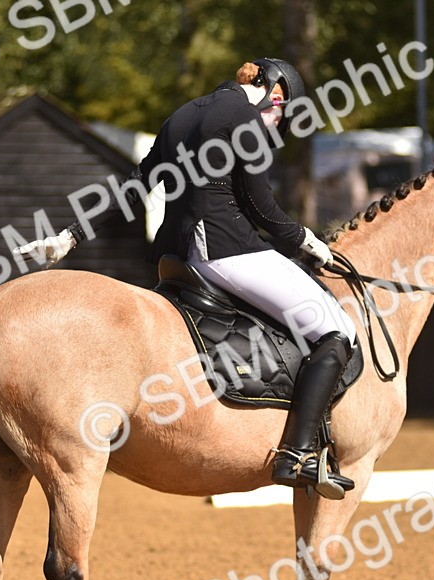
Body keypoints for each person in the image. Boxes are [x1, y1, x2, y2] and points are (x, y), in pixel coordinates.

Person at [25, 59, 357, 499]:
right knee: (336, 328)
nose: (277, 126)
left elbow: (136, 184)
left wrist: (72, 236)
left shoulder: (181, 116)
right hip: (225, 251)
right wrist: (308, 242)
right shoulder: (246, 117)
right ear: (274, 93)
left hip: (173, 256)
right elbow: (261, 209)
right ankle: (297, 454)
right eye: (282, 115)